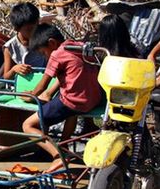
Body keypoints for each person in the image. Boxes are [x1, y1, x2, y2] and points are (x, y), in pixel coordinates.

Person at [21, 24, 102, 171]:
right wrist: (48, 94)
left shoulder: (57, 54)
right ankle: (64, 146)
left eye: (44, 52)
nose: (46, 56)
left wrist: (31, 95)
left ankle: (57, 156)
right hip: (92, 100)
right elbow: (70, 73)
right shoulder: (78, 46)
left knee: (28, 125)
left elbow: (42, 85)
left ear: (52, 43)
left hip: (73, 102)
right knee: (71, 113)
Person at [2, 2, 45, 79]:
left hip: (43, 82)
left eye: (36, 26)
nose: (33, 31)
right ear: (17, 29)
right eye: (29, 29)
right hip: (22, 86)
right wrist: (14, 69)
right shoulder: (10, 47)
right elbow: (6, 76)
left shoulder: (43, 41)